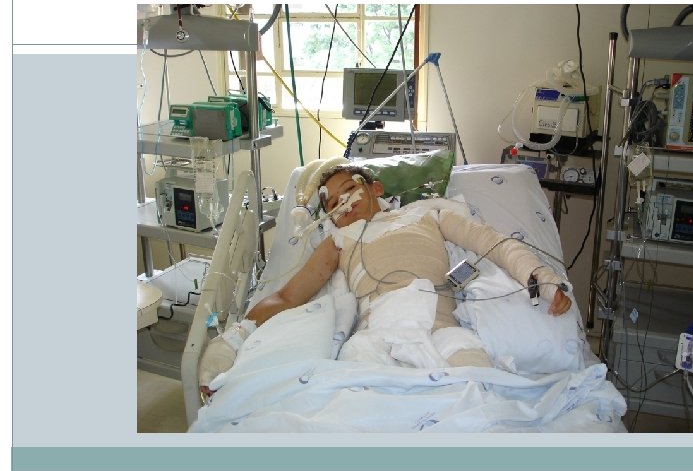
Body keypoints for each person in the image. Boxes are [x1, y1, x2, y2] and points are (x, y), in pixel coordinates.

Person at [199, 164, 572, 395]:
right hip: (374, 340)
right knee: (356, 409)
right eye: (332, 204)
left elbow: (494, 244)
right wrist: (232, 341)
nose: (343, 203)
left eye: (349, 191)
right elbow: (286, 297)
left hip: (442, 331)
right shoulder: (338, 240)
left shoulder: (428, 215)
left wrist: (541, 277)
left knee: (478, 394)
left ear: (375, 188)